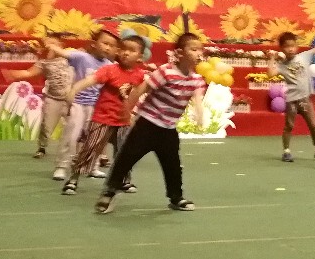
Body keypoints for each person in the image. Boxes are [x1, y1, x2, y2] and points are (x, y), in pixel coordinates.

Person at [95, 33, 207, 214]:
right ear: (180, 53)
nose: (198, 53)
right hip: (147, 124)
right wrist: (127, 110)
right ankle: (109, 191)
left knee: (172, 165)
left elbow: (198, 98)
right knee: (126, 159)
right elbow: (141, 89)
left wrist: (200, 114)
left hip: (168, 129)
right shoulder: (165, 72)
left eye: (200, 49)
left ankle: (176, 197)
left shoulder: (196, 79)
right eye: (193, 49)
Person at [61, 35, 146, 196]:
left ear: (140, 56)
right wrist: (74, 89)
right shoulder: (110, 70)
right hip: (102, 118)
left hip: (123, 121)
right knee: (90, 149)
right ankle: (73, 179)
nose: (126, 53)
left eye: (132, 50)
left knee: (125, 152)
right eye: (123, 49)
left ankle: (123, 180)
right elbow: (90, 80)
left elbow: (144, 93)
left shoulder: (140, 75)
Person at [51, 29, 117, 181]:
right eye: (105, 43)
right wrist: (52, 46)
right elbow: (64, 53)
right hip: (78, 103)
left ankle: (92, 166)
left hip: (96, 107)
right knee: (71, 135)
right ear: (94, 44)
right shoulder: (82, 57)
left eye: (111, 46)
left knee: (94, 138)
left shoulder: (109, 66)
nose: (107, 48)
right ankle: (62, 166)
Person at [2, 32, 73, 160]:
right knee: (46, 126)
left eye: (53, 44)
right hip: (53, 99)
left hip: (71, 99)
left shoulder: (70, 57)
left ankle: (76, 151)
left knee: (76, 125)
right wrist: (13, 74)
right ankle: (42, 148)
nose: (50, 46)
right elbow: (28, 72)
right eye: (48, 44)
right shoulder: (44, 63)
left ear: (60, 45)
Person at [274, 30, 315, 163]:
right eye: (287, 46)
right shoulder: (281, 65)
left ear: (296, 46)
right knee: (289, 126)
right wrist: (272, 58)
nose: (290, 49)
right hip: (291, 100)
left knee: (313, 125)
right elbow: (270, 73)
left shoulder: (304, 56)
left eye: (293, 45)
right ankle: (286, 152)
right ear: (282, 48)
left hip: (305, 99)